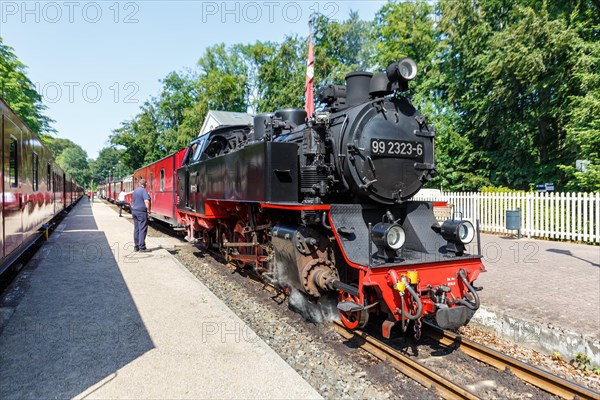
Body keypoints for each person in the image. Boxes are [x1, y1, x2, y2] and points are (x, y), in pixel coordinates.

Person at [131, 179, 151, 252]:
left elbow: (132, 201)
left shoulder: (135, 191)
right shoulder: (144, 191)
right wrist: (148, 210)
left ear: (139, 183)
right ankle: (142, 247)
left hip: (134, 211)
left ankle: (136, 247)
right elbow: (146, 201)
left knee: (136, 229)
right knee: (142, 228)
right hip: (141, 212)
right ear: (145, 184)